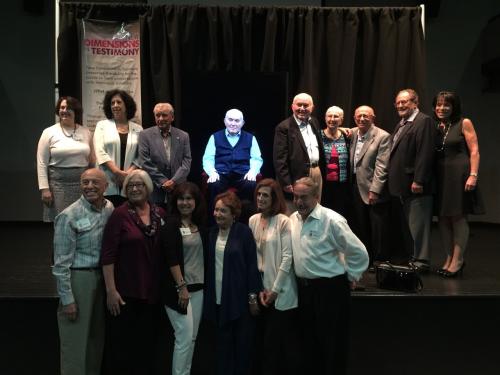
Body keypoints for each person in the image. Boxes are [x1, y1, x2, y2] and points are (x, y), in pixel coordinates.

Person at [289, 177, 368, 375]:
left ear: (317, 196)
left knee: (332, 347)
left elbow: (359, 252)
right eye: (296, 197)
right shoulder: (293, 219)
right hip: (305, 292)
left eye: (304, 197)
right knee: (309, 346)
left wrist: (351, 276)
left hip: (330, 292)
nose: (299, 202)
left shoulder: (332, 220)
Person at [101, 169, 165, 374]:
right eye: (130, 186)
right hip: (125, 294)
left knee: (147, 347)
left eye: (139, 185)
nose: (135, 189)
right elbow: (108, 255)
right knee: (124, 348)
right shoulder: (119, 215)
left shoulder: (159, 214)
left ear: (148, 188)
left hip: (152, 293)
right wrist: (111, 291)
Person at [52, 168, 114, 375]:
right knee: (75, 344)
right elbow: (60, 264)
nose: (89, 187)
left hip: (102, 279)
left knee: (96, 341)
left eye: (95, 182)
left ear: (106, 186)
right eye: (85, 182)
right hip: (80, 280)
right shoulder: (68, 216)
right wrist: (67, 298)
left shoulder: (109, 208)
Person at [203, 191, 262, 375]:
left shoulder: (243, 233)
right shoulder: (211, 234)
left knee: (242, 350)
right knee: (222, 350)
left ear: (233, 214)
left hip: (240, 302)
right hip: (217, 301)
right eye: (216, 210)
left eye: (223, 211)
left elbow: (252, 266)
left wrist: (253, 297)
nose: (217, 214)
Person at [248, 179, 299, 375]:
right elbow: (251, 259)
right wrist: (256, 292)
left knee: (275, 348)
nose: (260, 198)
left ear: (274, 198)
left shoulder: (283, 221)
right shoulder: (252, 220)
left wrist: (274, 291)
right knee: (260, 346)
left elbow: (287, 258)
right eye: (259, 195)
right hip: (260, 289)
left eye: (265, 195)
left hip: (280, 292)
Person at [433, 91, 484, 277]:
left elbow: (475, 150)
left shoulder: (464, 123)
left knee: (458, 217)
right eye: (438, 104)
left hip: (460, 174)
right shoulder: (437, 126)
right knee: (443, 218)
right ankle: (448, 258)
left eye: (446, 104)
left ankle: (458, 260)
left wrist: (473, 175)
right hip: (440, 175)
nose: (441, 108)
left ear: (454, 107)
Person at [160, 182, 207, 375]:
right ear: (175, 201)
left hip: (199, 288)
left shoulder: (200, 225)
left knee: (192, 338)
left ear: (196, 202)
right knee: (184, 337)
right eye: (181, 198)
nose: (185, 203)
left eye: (189, 199)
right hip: (179, 290)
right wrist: (181, 287)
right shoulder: (171, 224)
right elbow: (171, 258)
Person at [388, 89, 436, 270]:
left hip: (416, 184)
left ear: (415, 103)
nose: (400, 105)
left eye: (405, 102)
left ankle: (421, 261)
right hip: (403, 185)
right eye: (398, 102)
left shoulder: (423, 121)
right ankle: (413, 258)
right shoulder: (402, 123)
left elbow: (425, 153)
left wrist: (419, 180)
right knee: (410, 225)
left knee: (419, 224)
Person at [37, 96, 94, 222]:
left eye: (69, 108)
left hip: (82, 185)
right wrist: (44, 189)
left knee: (82, 221)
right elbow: (41, 163)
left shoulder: (86, 132)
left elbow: (92, 161)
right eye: (62, 107)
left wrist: (93, 183)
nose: (64, 110)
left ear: (76, 111)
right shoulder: (49, 132)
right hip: (58, 186)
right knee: (61, 222)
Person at [349, 105, 391, 269]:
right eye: (359, 116)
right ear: (354, 118)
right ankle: (364, 259)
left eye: (366, 116)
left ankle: (378, 261)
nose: (362, 118)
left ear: (373, 118)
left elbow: (382, 166)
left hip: (371, 188)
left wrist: (375, 190)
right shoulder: (352, 133)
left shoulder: (382, 136)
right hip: (353, 186)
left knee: (375, 227)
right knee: (359, 225)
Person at [202, 108, 263, 213]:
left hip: (242, 174)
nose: (233, 123)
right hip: (221, 173)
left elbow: (256, 158)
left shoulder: (251, 138)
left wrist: (253, 171)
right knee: (214, 184)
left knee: (250, 184)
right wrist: (212, 172)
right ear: (225, 121)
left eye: (237, 121)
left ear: (242, 123)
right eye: (230, 120)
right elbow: (208, 158)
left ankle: (245, 219)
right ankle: (214, 221)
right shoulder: (214, 137)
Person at [273, 93, 326, 204]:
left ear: (312, 108)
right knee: (296, 210)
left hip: (316, 172)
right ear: (293, 107)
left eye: (306, 105)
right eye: (299, 105)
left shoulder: (314, 122)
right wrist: (286, 181)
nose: (302, 108)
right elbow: (279, 158)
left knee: (316, 208)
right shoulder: (284, 127)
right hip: (296, 175)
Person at [94, 89, 143, 207]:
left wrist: (127, 174)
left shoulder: (138, 128)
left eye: (119, 102)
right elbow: (100, 151)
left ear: (127, 105)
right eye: (112, 103)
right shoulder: (102, 126)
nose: (115, 105)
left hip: (130, 180)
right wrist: (117, 173)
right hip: (108, 179)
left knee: (127, 216)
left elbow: (141, 155)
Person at [138, 102, 192, 207]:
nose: (161, 118)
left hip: (178, 188)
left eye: (164, 115)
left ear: (172, 117)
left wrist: (173, 182)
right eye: (158, 115)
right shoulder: (145, 135)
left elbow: (186, 161)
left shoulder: (183, 136)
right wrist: (163, 181)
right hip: (155, 189)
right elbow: (144, 162)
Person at [320, 106, 351, 217]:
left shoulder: (347, 136)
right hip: (323, 185)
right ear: (325, 118)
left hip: (342, 185)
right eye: (330, 116)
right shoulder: (318, 136)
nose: (332, 119)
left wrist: (342, 129)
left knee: (339, 215)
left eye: (336, 116)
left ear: (341, 120)